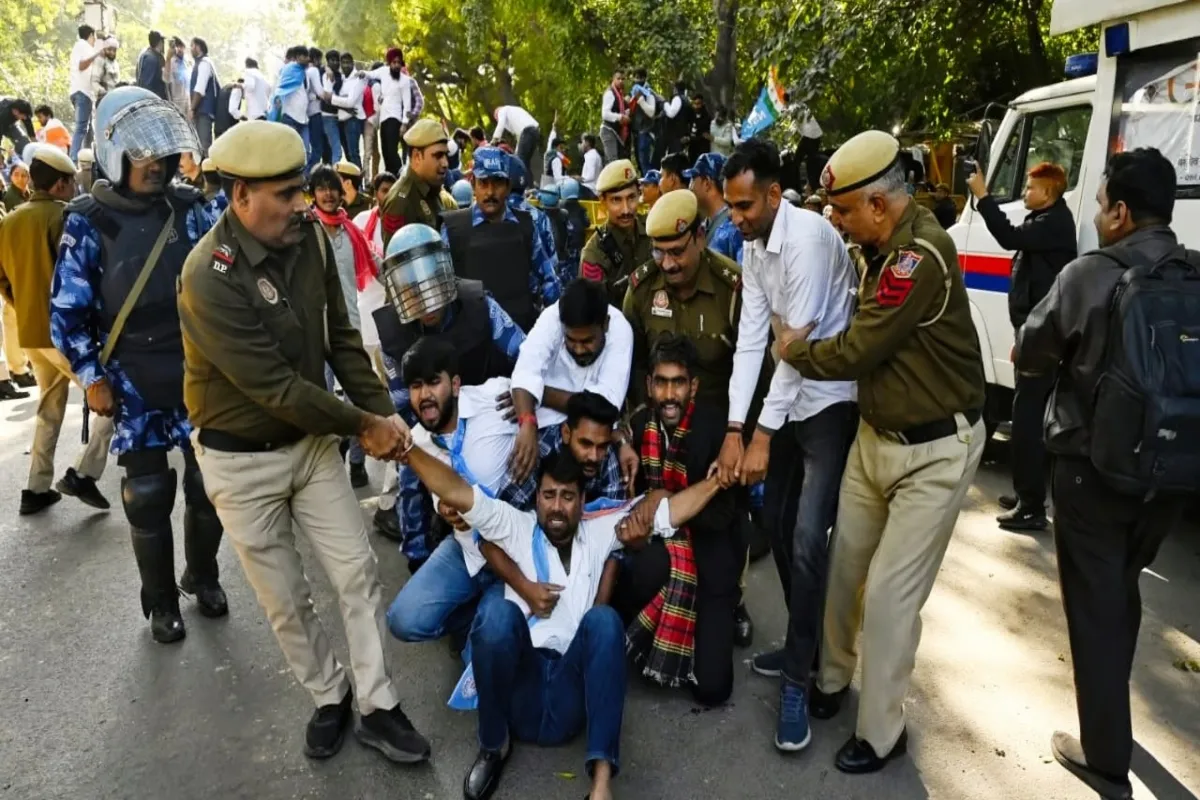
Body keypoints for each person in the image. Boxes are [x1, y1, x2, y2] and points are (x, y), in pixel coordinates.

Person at [177, 120, 431, 765]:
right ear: (240, 196)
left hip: (312, 446)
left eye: (300, 190)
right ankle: (330, 695)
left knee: (358, 574)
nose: (302, 204)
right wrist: (362, 426)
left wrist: (383, 416)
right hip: (240, 461)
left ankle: (378, 705)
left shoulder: (313, 240)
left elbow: (341, 337)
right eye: (286, 194)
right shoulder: (208, 275)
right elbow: (278, 389)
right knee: (286, 600)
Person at [777, 130, 986, 771]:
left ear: (877, 204)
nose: (833, 221)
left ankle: (881, 733)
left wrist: (793, 350)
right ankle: (834, 680)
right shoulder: (880, 241)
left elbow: (860, 348)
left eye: (841, 210)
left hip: (933, 452)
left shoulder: (916, 256)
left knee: (891, 599)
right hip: (876, 440)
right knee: (844, 571)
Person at [400, 440, 724, 800]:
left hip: (572, 692)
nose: (556, 507)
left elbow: (668, 511)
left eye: (567, 496)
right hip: (521, 689)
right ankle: (494, 747)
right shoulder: (514, 525)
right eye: (548, 495)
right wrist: (406, 451)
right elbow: (457, 492)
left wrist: (718, 481)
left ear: (582, 501)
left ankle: (601, 785)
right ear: (536, 498)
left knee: (604, 621)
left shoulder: (602, 530)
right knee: (496, 615)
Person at [1014, 148, 1191, 800]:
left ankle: (1105, 757)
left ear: (1119, 211)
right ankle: (1114, 715)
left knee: (1092, 604)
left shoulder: (1090, 273)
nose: (1096, 215)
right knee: (1123, 585)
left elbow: (1031, 352)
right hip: (1169, 474)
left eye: (1100, 203)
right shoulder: (1194, 274)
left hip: (1092, 472)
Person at [50, 86, 228, 643]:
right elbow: (67, 315)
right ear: (113, 153)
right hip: (131, 375)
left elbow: (226, 275)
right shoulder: (86, 223)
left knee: (211, 486)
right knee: (148, 497)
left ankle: (201, 576)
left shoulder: (193, 209)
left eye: (162, 153)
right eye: (141, 153)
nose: (156, 164)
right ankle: (159, 604)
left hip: (198, 368)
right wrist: (91, 376)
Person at [711, 139, 859, 753]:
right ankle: (806, 641)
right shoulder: (753, 246)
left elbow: (793, 354)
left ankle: (801, 676)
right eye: (731, 206)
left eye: (744, 205)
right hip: (789, 401)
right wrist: (733, 429)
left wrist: (761, 436)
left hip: (827, 402)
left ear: (774, 193)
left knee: (805, 539)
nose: (735, 218)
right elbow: (754, 341)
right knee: (771, 519)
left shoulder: (804, 242)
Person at [374, 223, 525, 561]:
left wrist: (522, 396)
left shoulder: (480, 304)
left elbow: (524, 352)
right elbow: (403, 409)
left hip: (484, 411)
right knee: (410, 468)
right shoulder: (392, 336)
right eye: (411, 288)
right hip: (431, 425)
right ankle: (416, 552)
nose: (423, 298)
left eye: (428, 283)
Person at [614, 334, 744, 706]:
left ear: (694, 386)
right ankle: (652, 623)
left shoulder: (717, 431)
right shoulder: (640, 429)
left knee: (712, 689)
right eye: (662, 382)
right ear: (650, 385)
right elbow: (634, 502)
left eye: (679, 382)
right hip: (660, 556)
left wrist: (667, 503)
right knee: (644, 565)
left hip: (707, 560)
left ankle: (716, 617)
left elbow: (721, 515)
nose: (670, 394)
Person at [0, 145, 112, 511]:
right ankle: (83, 473)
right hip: (64, 333)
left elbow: (3, 280)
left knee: (49, 408)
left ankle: (35, 488)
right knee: (113, 398)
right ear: (62, 183)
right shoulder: (65, 218)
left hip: (31, 333)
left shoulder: (10, 221)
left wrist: (24, 307)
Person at [968, 160, 1077, 531]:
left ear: (1048, 192)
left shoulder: (1054, 224)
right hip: (1035, 334)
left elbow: (1008, 238)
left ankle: (1031, 507)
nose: (1025, 193)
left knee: (1028, 421)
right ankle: (1026, 495)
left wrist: (983, 198)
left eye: (1030, 188)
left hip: (1041, 337)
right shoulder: (1045, 221)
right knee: (1026, 416)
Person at [508, 278, 635, 488]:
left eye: (587, 341)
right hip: (541, 423)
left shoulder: (620, 330)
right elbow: (524, 372)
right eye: (571, 340)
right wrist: (527, 421)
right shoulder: (552, 317)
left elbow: (602, 405)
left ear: (605, 325)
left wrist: (536, 394)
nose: (578, 349)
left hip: (593, 432)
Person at [441, 146, 561, 333]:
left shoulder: (526, 226)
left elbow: (549, 281)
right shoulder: (453, 229)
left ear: (508, 186)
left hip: (522, 340)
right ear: (473, 184)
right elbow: (442, 291)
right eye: (484, 183)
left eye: (497, 183)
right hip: (470, 344)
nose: (490, 192)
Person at [580, 160, 652, 306]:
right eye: (616, 200)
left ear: (639, 194)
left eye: (631, 197)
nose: (626, 210)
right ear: (603, 202)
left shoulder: (654, 229)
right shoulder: (594, 254)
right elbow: (593, 312)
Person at [379, 118, 447, 247]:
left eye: (446, 155)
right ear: (417, 157)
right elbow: (397, 260)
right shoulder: (400, 202)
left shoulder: (431, 189)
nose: (445, 163)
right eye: (438, 156)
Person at [365, 49, 418, 176]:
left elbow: (407, 104)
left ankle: (402, 178)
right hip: (384, 120)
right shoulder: (384, 76)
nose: (397, 65)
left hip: (395, 120)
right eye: (394, 62)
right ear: (389, 63)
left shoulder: (404, 80)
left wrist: (404, 124)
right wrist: (361, 73)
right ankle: (391, 180)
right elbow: (370, 74)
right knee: (386, 153)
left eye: (399, 62)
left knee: (392, 153)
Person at [685, 152, 742, 263]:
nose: (689, 187)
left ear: (706, 183)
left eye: (693, 179)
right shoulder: (704, 226)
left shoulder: (734, 229)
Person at [68, 25, 100, 160]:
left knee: (88, 129)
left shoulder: (78, 46)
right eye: (95, 37)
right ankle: (74, 158)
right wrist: (97, 55)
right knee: (82, 128)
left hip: (77, 92)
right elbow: (82, 65)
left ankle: (87, 158)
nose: (95, 41)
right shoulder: (84, 46)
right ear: (91, 35)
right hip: (82, 92)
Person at [189, 38, 220, 156]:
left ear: (198, 47)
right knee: (199, 147)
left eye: (192, 46)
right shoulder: (199, 63)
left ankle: (207, 172)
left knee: (204, 146)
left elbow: (200, 89)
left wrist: (192, 108)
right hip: (201, 111)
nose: (190, 49)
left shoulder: (204, 63)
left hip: (203, 112)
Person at [491, 105, 540, 179]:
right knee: (525, 161)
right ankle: (531, 184)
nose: (498, 120)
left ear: (496, 114)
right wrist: (516, 153)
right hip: (535, 132)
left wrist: (494, 139)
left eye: (496, 119)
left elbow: (501, 124)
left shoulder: (502, 110)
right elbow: (520, 137)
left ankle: (528, 185)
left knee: (521, 162)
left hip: (527, 132)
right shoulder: (515, 110)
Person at [628, 68, 657, 172]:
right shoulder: (633, 93)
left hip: (645, 132)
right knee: (640, 163)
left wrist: (641, 100)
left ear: (645, 78)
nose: (638, 80)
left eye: (640, 77)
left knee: (644, 163)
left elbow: (651, 112)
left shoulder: (649, 93)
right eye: (636, 77)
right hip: (636, 133)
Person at [599, 69, 630, 163]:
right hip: (608, 130)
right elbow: (605, 114)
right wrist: (620, 117)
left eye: (623, 79)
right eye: (618, 78)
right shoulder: (610, 93)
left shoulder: (620, 95)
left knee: (618, 160)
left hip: (615, 132)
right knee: (612, 161)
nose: (621, 81)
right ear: (613, 79)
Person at [661, 81, 690, 158]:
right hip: (682, 134)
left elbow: (671, 113)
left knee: (673, 159)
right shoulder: (686, 100)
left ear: (675, 89)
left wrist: (665, 103)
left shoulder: (677, 98)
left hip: (676, 136)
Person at [136, 31, 168, 99]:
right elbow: (147, 85)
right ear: (160, 43)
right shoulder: (151, 58)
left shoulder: (155, 56)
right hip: (153, 99)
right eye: (163, 42)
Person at [166, 37, 191, 120]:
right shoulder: (171, 62)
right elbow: (167, 80)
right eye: (177, 47)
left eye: (181, 46)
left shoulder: (187, 62)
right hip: (177, 101)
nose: (179, 49)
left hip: (188, 100)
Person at [90, 38, 121, 106]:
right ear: (104, 49)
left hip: (115, 98)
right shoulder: (100, 61)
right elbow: (94, 82)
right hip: (104, 99)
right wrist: (103, 92)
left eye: (114, 50)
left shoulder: (115, 63)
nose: (112, 52)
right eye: (109, 49)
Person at [686, 95, 712, 164]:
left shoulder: (707, 117)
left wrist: (691, 138)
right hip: (692, 147)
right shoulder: (691, 115)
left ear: (702, 103)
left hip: (702, 148)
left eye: (698, 104)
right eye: (694, 104)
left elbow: (704, 134)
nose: (696, 106)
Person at [579, 133, 603, 197]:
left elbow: (591, 176)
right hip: (593, 190)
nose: (581, 145)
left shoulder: (591, 156)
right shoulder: (594, 155)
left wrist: (579, 179)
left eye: (582, 142)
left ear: (587, 143)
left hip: (589, 190)